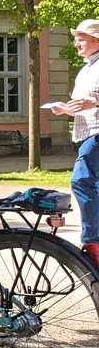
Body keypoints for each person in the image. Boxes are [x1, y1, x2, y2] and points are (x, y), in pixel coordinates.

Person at [50, 19, 99, 268]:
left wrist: (95, 104)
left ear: (96, 40)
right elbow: (84, 106)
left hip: (97, 135)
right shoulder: (85, 70)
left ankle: (93, 241)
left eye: (81, 38)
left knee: (81, 181)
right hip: (87, 134)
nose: (76, 42)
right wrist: (65, 110)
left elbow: (93, 104)